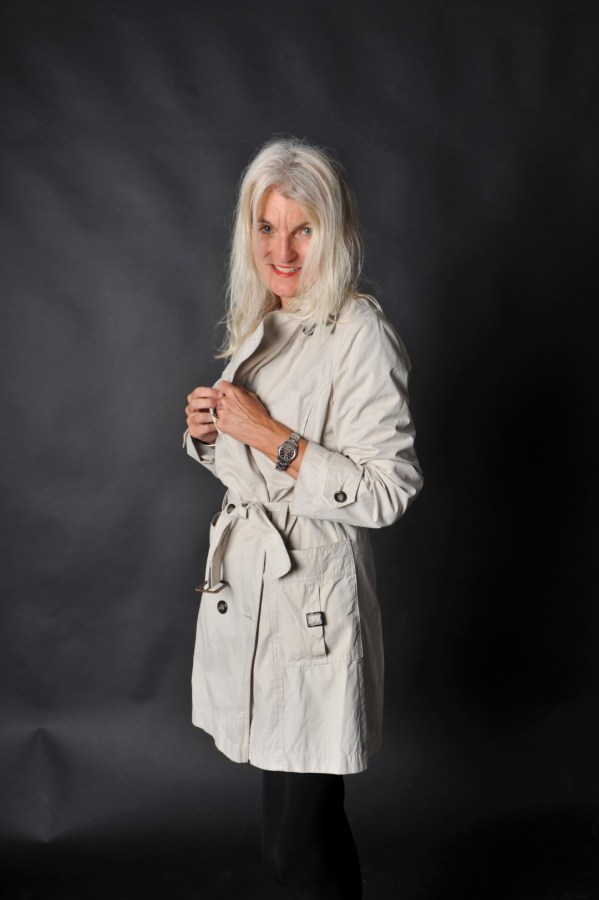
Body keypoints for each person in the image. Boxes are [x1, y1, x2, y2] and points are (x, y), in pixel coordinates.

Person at [183, 137, 423, 899]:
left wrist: (270, 437)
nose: (281, 251)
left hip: (310, 605)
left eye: (302, 230)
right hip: (254, 599)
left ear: (334, 233)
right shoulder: (266, 319)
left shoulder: (358, 333)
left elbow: (386, 491)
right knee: (290, 830)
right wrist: (209, 434)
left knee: (299, 842)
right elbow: (254, 468)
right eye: (266, 227)